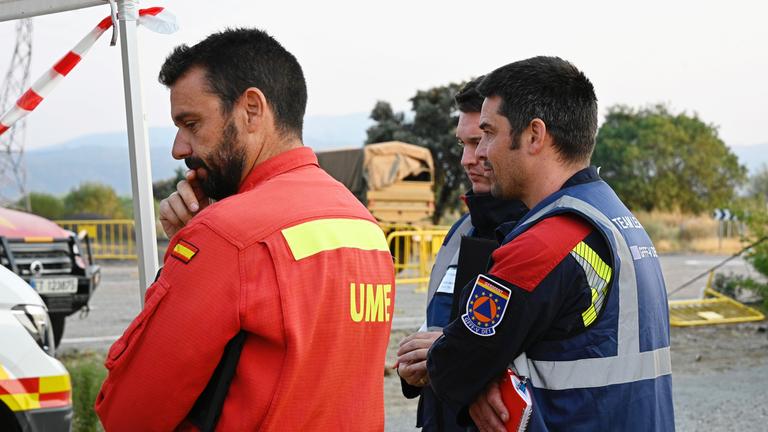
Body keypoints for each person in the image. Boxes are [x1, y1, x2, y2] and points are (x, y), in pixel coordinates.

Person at [95, 28, 395, 431]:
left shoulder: (224, 237)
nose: (179, 148)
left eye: (192, 123)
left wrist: (192, 246)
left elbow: (129, 415)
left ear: (252, 110)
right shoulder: (362, 223)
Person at [427, 57, 674, 431]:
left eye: (488, 134)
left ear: (534, 135)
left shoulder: (545, 244)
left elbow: (454, 365)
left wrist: (451, 361)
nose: (480, 154)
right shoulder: (615, 217)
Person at [395, 77, 528, 431]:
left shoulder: (540, 236)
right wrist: (414, 363)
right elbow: (435, 323)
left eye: (481, 140)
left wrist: (455, 359)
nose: (469, 159)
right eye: (463, 143)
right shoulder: (460, 231)